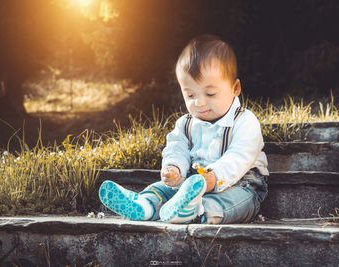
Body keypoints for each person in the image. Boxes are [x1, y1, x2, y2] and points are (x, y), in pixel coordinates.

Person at [99, 34, 269, 224]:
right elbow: (176, 148)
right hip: (191, 184)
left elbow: (238, 157)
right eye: (190, 95)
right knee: (162, 188)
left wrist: (212, 178)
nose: (199, 102)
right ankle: (145, 205)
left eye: (210, 93)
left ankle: (196, 211)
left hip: (241, 185)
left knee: (232, 202)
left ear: (235, 88)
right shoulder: (185, 124)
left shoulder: (245, 121)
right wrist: (174, 168)